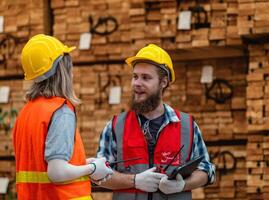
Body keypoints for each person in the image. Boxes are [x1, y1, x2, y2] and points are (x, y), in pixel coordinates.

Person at [96, 44, 215, 200]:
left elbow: (206, 171)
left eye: (145, 77)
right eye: (135, 76)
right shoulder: (115, 126)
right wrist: (134, 181)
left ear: (163, 82)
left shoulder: (187, 126)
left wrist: (182, 185)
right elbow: (99, 175)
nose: (136, 83)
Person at [13, 34, 113, 200]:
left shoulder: (25, 113)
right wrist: (92, 169)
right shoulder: (60, 111)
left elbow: (42, 166)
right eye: (70, 69)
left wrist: (85, 163)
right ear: (62, 71)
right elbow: (56, 172)